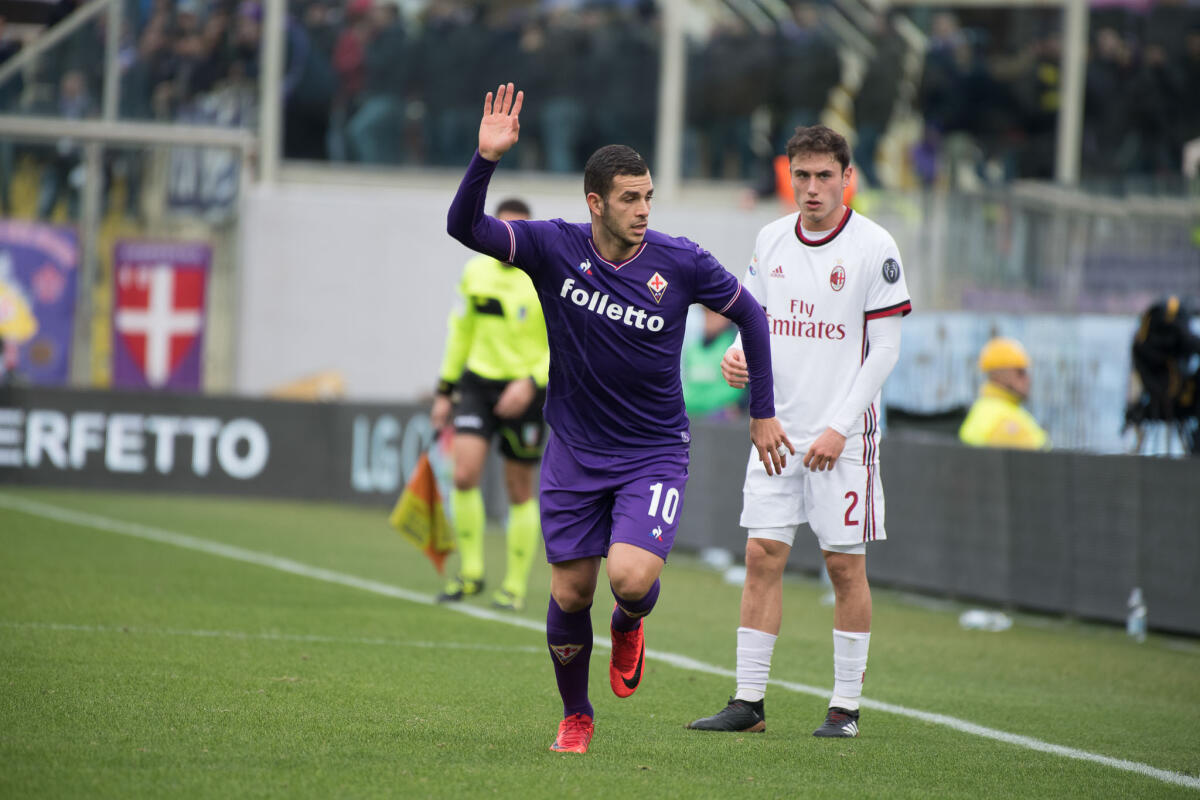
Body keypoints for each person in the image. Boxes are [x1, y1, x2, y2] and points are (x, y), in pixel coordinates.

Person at [446, 83, 791, 755]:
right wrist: (485, 159)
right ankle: (576, 715)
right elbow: (465, 227)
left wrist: (762, 412)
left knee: (630, 578)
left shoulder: (680, 260)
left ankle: (631, 618)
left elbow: (750, 313)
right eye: (630, 197)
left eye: (649, 196)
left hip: (653, 450)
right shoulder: (551, 246)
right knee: (572, 592)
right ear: (596, 202)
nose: (643, 209)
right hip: (574, 448)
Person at [687, 124, 911, 739]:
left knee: (844, 568)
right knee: (762, 556)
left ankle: (845, 708)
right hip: (774, 432)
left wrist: (841, 428)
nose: (811, 188)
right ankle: (748, 703)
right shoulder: (771, 239)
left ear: (847, 178)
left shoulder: (875, 247)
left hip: (841, 441)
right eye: (801, 176)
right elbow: (752, 319)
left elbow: (885, 351)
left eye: (823, 176)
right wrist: (736, 353)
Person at [431, 197, 549, 612]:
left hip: (527, 390)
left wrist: (531, 382)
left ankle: (513, 588)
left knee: (519, 489)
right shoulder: (475, 272)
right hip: (478, 384)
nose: (509, 239)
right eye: (503, 230)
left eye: (518, 232)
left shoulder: (544, 276)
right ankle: (471, 574)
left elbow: (565, 344)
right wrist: (445, 390)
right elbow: (460, 330)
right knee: (463, 475)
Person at [959, 337, 1049, 449]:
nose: (1028, 379)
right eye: (1020, 372)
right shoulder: (1006, 423)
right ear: (1000, 375)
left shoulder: (984, 408)